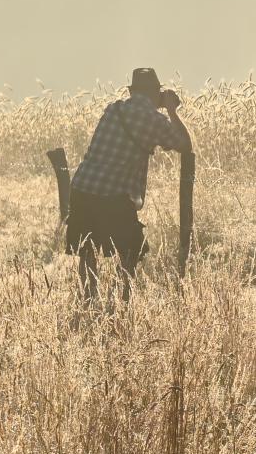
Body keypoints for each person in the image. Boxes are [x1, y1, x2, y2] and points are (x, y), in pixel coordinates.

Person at [66, 67, 193, 303]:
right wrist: (173, 111)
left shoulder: (113, 110)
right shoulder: (154, 120)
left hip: (83, 187)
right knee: (130, 249)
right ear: (156, 93)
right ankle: (123, 298)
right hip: (114, 194)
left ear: (131, 91)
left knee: (88, 250)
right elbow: (185, 145)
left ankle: (89, 299)